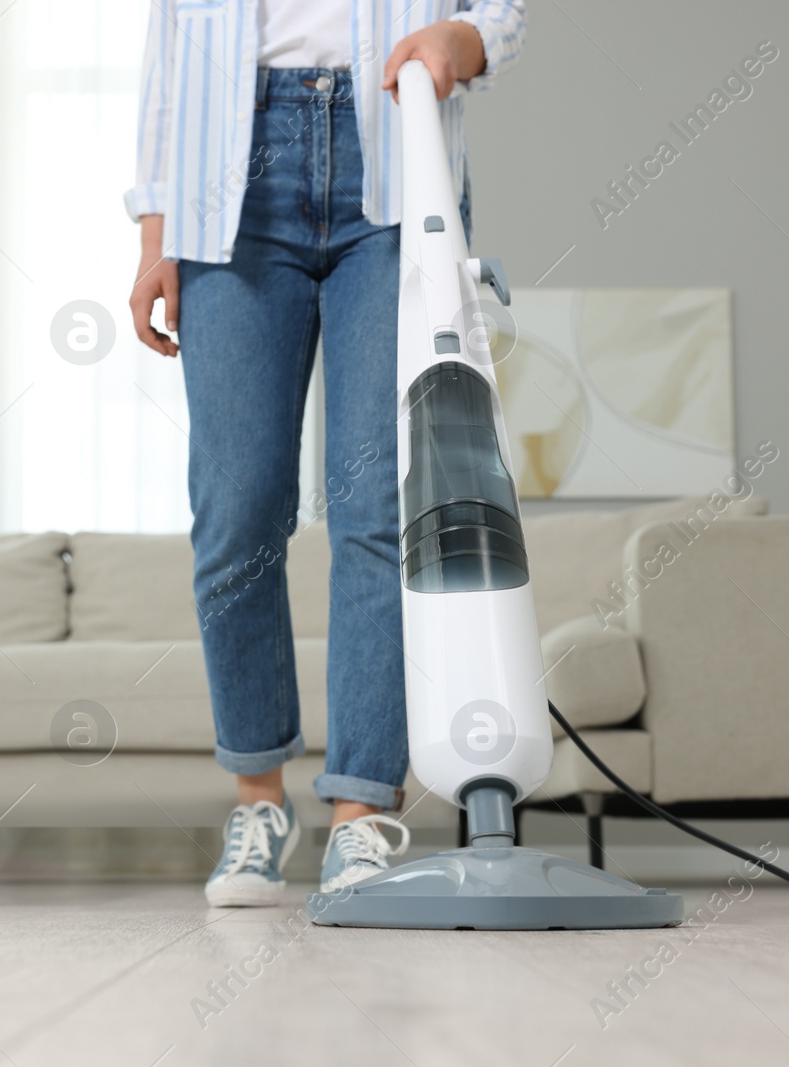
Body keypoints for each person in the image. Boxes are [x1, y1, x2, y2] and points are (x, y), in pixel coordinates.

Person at [126, 0, 526, 906]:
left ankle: (361, 810)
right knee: (237, 512)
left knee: (378, 508)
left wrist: (462, 44)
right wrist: (154, 235)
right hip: (222, 188)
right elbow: (169, 59)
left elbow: (499, 13)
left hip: (392, 162)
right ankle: (258, 797)